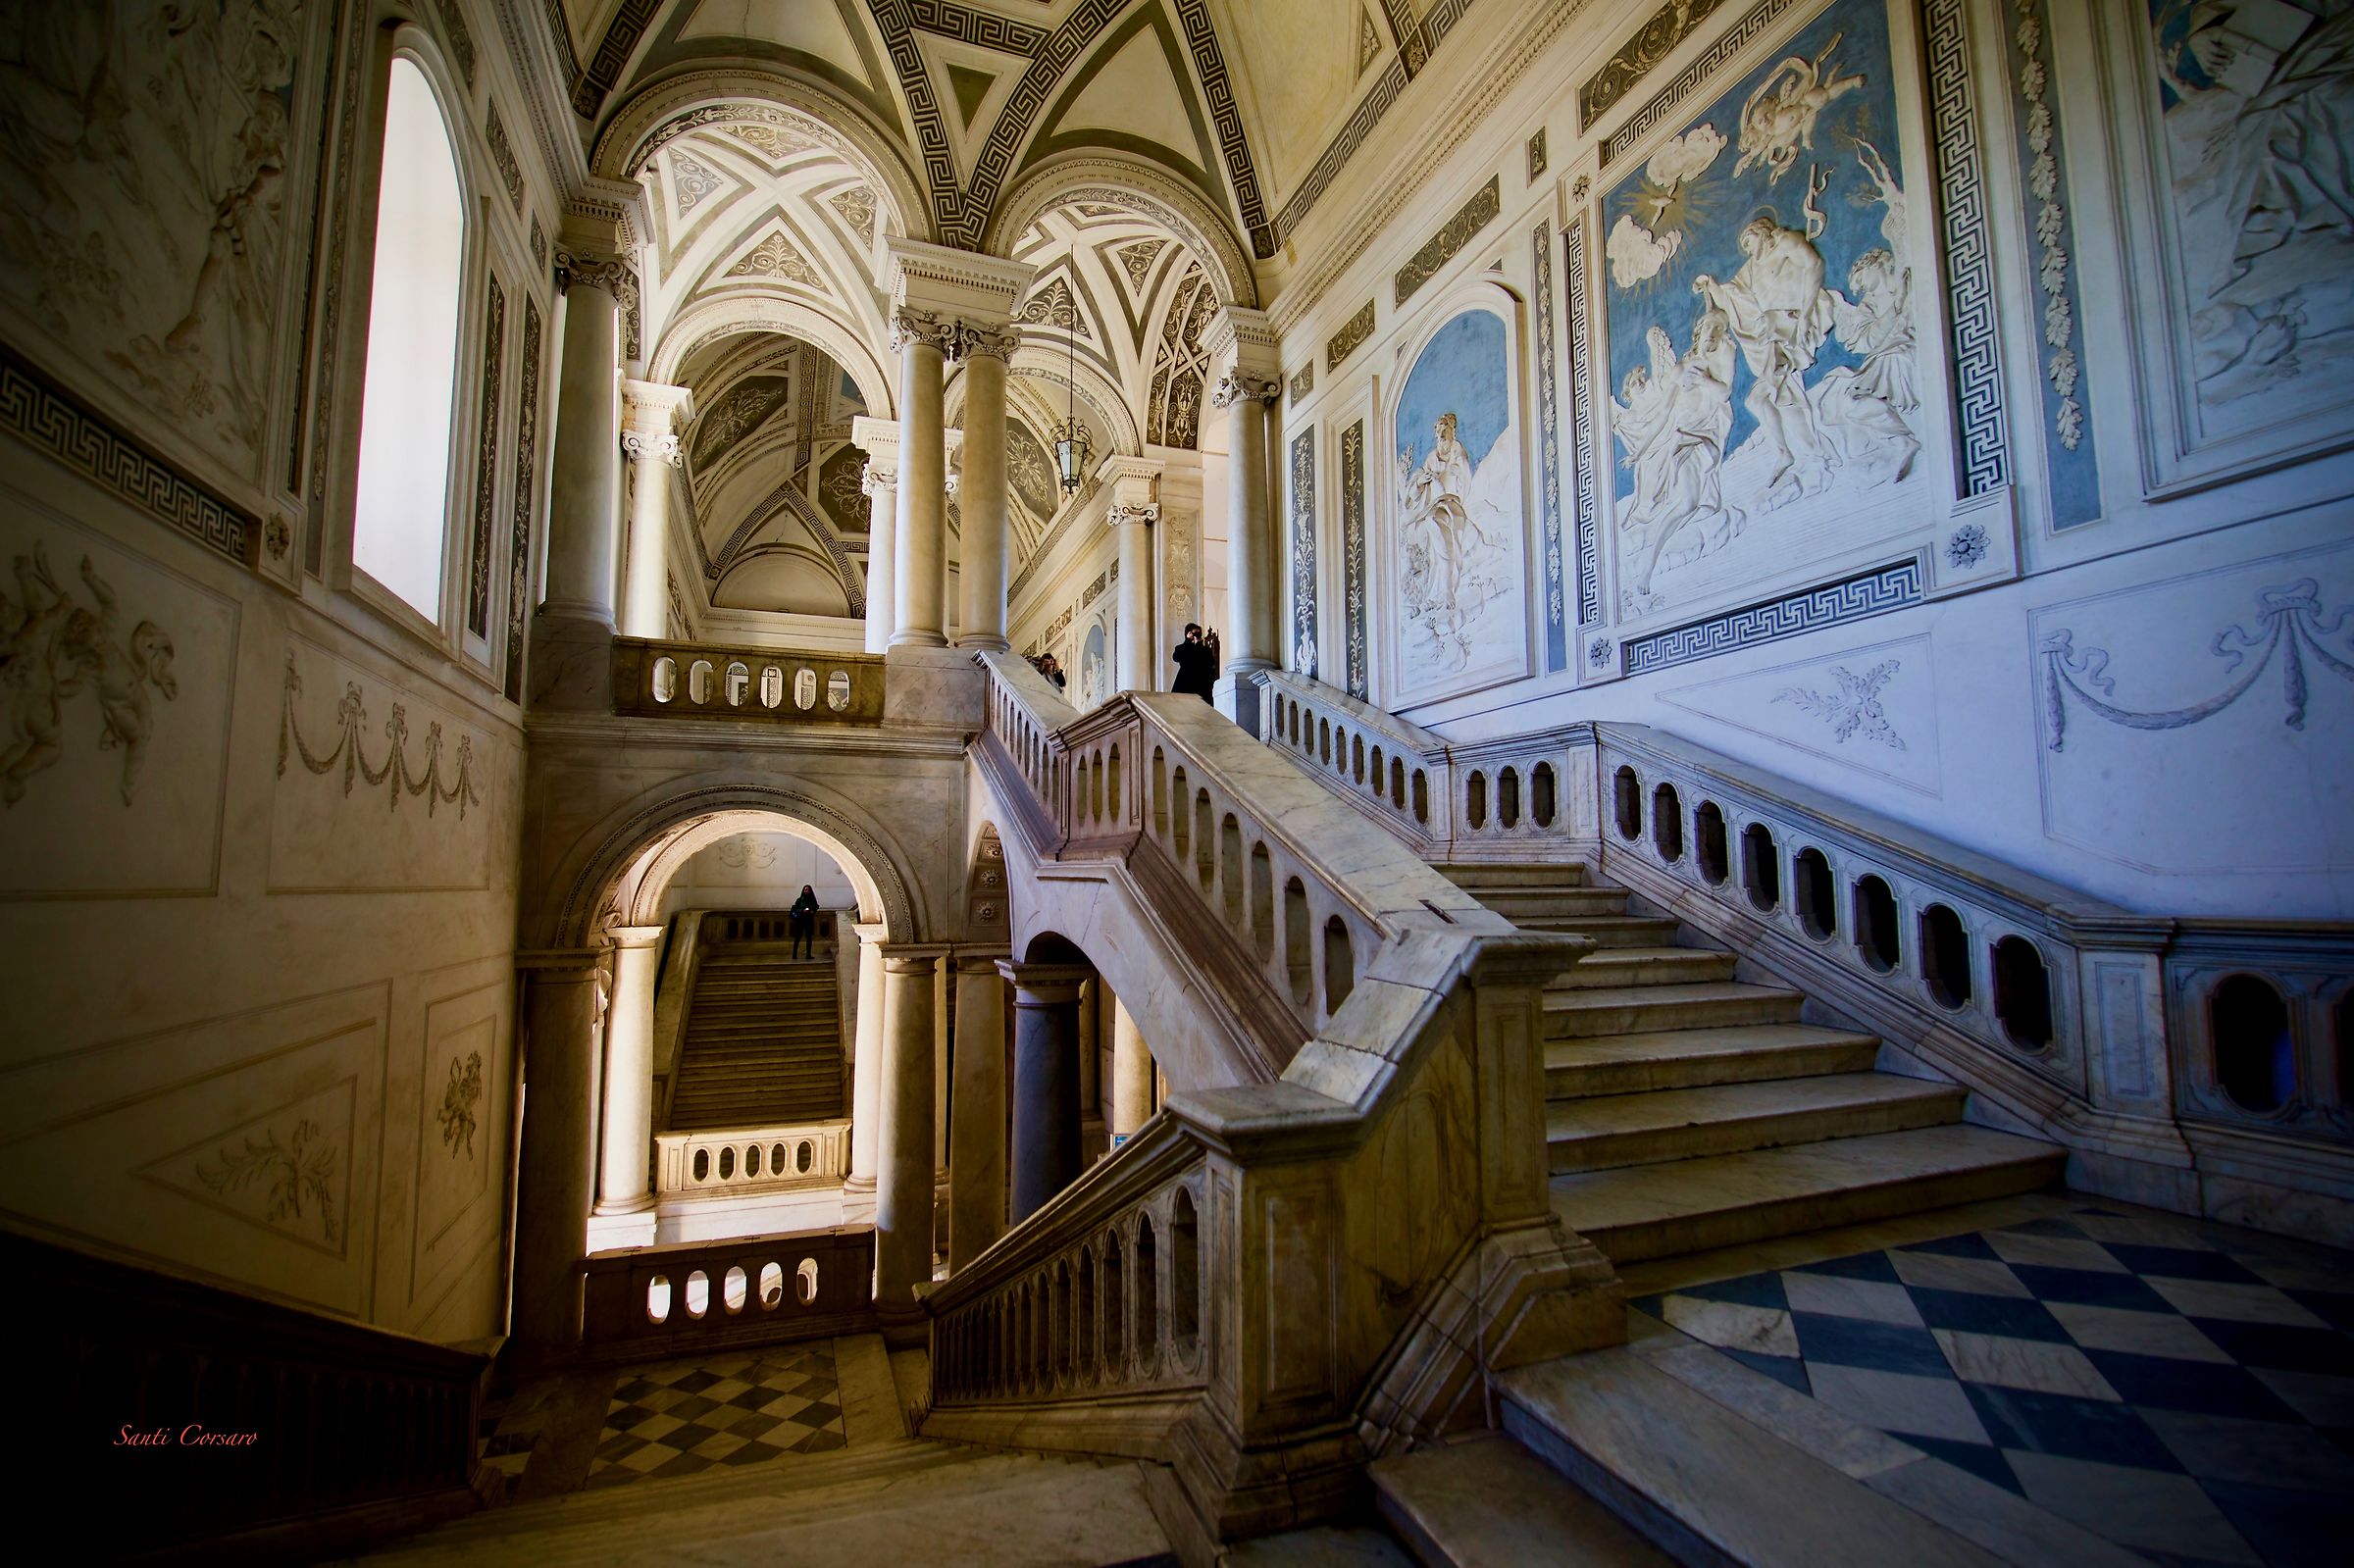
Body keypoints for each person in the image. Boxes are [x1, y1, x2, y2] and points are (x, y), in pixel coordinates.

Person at [1171, 623, 1218, 702]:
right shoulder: (1181, 647)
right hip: (1185, 683)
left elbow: (1211, 662)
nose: (1196, 635)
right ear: (1188, 633)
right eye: (1194, 633)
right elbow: (1176, 657)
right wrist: (1187, 642)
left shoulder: (1206, 650)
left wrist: (1198, 645)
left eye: (1198, 633)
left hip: (1201, 683)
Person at [787, 885, 819, 960]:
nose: (806, 891)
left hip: (809, 921)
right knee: (797, 937)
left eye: (808, 890)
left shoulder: (812, 900)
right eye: (805, 890)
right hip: (800, 921)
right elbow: (795, 909)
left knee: (809, 938)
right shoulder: (799, 900)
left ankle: (808, 954)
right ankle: (794, 954)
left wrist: (811, 911)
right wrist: (802, 911)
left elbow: (815, 908)